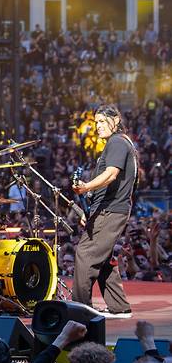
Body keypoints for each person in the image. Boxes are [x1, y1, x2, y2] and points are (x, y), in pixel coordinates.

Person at [72, 104, 138, 317]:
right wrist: (88, 209)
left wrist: (86, 187)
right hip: (109, 209)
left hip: (110, 211)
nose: (97, 126)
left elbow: (111, 174)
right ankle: (119, 307)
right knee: (104, 259)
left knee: (86, 254)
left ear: (116, 120)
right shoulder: (118, 143)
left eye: (102, 121)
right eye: (96, 122)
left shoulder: (117, 142)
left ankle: (80, 310)